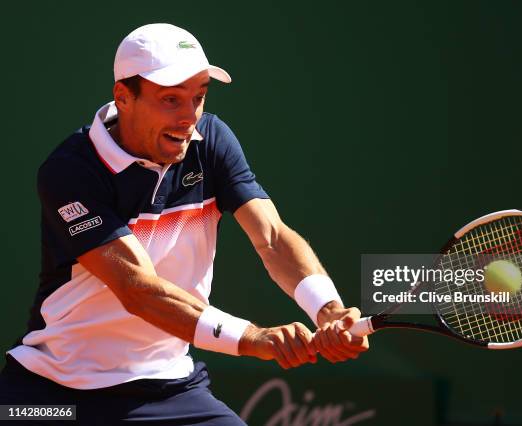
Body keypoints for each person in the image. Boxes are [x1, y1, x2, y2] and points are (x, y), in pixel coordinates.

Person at [0, 23, 368, 425]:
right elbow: (139, 290)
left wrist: (327, 309)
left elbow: (273, 238)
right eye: (170, 100)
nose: (188, 117)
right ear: (123, 97)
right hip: (51, 393)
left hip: (169, 390)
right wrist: (253, 338)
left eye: (198, 98)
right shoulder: (71, 171)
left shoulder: (211, 141)